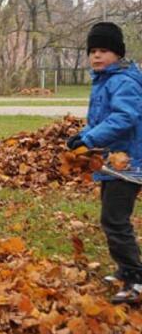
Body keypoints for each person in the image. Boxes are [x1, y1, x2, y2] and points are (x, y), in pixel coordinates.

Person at [66, 22, 142, 304]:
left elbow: (124, 118)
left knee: (114, 220)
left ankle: (136, 278)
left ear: (118, 54)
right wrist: (82, 136)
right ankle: (126, 270)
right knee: (113, 220)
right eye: (93, 51)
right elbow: (101, 121)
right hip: (111, 164)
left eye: (104, 50)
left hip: (129, 165)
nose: (97, 56)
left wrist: (91, 138)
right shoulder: (105, 80)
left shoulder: (123, 81)